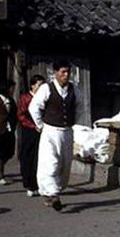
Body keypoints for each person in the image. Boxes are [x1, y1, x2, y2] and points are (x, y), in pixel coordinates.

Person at [29, 60, 83, 211]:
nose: (66, 75)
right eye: (63, 72)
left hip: (66, 131)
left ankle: (50, 192)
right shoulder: (46, 88)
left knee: (64, 164)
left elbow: (79, 107)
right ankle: (54, 195)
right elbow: (34, 107)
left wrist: (72, 121)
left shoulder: (74, 89)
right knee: (50, 163)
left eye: (68, 72)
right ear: (55, 73)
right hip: (50, 131)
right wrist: (40, 125)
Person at [18, 75, 45, 197]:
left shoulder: (44, 98)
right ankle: (29, 184)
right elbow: (21, 115)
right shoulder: (25, 98)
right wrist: (33, 126)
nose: (41, 88)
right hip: (29, 130)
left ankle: (39, 184)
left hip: (42, 130)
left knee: (40, 157)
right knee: (28, 157)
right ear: (33, 85)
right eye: (39, 85)